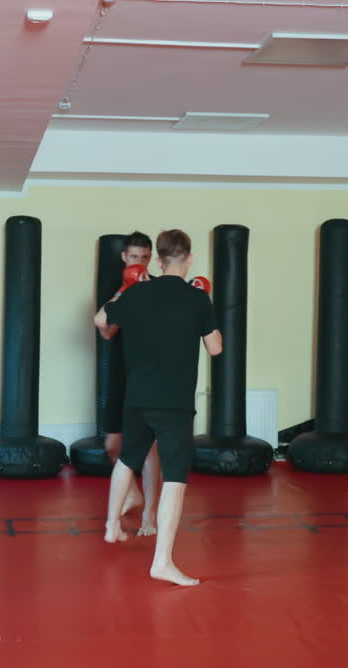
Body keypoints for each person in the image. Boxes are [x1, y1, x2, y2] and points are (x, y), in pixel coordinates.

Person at [93, 229, 222, 586]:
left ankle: (111, 526)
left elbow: (101, 320)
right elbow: (215, 348)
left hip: (136, 398)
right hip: (174, 404)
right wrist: (204, 310)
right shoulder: (197, 298)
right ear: (189, 259)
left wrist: (125, 289)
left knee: (126, 460)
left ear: (159, 260)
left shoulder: (136, 292)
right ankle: (162, 562)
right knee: (175, 479)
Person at [105, 232, 163, 536]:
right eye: (133, 257)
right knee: (112, 445)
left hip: (147, 375)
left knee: (150, 449)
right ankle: (132, 494)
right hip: (119, 372)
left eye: (143, 257)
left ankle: (150, 516)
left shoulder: (157, 289)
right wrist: (125, 290)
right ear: (124, 257)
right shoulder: (116, 288)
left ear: (150, 258)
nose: (138, 262)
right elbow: (107, 331)